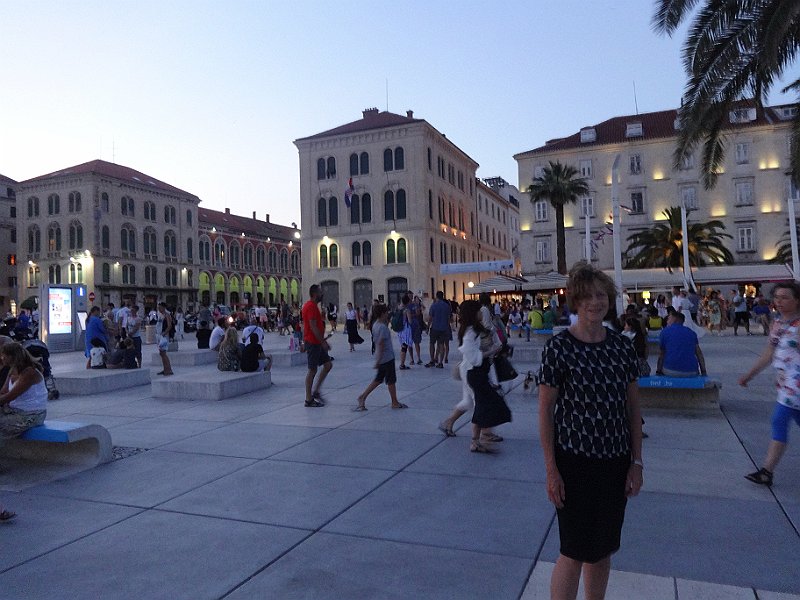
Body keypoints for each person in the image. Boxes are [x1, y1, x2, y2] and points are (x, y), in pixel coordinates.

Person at [537, 262, 643, 600]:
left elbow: (633, 409)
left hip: (614, 461)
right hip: (574, 461)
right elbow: (545, 412)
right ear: (575, 302)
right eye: (587, 297)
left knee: (603, 549)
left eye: (601, 296)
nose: (595, 303)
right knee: (574, 549)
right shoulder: (559, 349)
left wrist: (636, 462)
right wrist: (551, 469)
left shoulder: (621, 348)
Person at [739, 282, 800, 486]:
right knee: (781, 421)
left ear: (797, 300)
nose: (779, 301)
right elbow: (768, 354)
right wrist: (749, 375)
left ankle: (766, 471)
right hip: (786, 385)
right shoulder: (777, 323)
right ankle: (767, 472)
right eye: (777, 297)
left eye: (785, 297)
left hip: (796, 386)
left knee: (778, 420)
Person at [451, 300, 511, 453]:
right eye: (478, 311)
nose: (481, 313)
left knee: (482, 405)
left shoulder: (476, 330)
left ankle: (479, 438)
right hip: (474, 373)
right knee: (480, 405)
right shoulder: (470, 333)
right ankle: (476, 439)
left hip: (479, 373)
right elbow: (472, 356)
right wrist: (492, 351)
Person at [354, 304, 407, 411]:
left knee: (378, 379)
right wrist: (378, 360)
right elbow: (381, 344)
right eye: (386, 312)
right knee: (391, 380)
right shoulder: (382, 327)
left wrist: (378, 359)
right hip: (387, 358)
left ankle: (363, 396)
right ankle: (394, 402)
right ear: (382, 313)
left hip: (382, 357)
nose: (388, 314)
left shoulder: (375, 325)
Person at [303, 284, 333, 407]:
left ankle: (316, 391)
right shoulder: (310, 306)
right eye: (321, 292)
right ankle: (308, 399)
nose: (322, 294)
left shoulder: (314, 306)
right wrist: (323, 342)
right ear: (315, 294)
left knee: (327, 365)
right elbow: (312, 326)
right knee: (312, 370)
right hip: (313, 342)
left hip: (316, 342)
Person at [656, 311, 707, 377]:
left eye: (669, 318)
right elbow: (699, 353)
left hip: (671, 370)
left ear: (674, 319)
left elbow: (661, 354)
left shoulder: (665, 332)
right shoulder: (691, 332)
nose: (667, 321)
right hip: (691, 371)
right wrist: (703, 372)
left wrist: (658, 371)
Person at [425, 291, 452, 368]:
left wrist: (427, 327)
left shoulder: (433, 306)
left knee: (432, 344)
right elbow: (449, 318)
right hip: (444, 328)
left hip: (435, 328)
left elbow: (430, 318)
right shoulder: (447, 306)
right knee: (441, 345)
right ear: (443, 296)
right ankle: (440, 362)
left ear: (436, 296)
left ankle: (432, 360)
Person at [155, 302, 174, 376]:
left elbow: (169, 326)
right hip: (159, 335)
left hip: (163, 336)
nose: (159, 309)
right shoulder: (160, 315)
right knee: (161, 353)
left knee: (164, 353)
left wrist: (164, 333)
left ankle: (168, 369)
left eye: (160, 307)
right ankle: (165, 368)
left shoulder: (167, 315)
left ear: (163, 307)